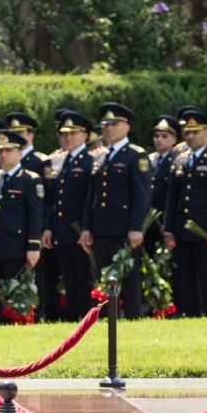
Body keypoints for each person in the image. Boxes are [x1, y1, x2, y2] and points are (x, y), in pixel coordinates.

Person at [81, 102, 152, 318]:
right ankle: (108, 318)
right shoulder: (101, 156)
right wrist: (86, 227)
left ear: (126, 126)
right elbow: (92, 196)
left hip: (124, 228)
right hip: (102, 227)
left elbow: (142, 196)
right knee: (105, 276)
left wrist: (136, 227)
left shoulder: (135, 155)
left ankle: (132, 317)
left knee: (128, 279)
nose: (108, 128)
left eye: (114, 124)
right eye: (105, 124)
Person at [162, 107, 207, 318]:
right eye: (187, 132)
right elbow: (172, 199)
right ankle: (187, 312)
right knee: (184, 276)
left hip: (206, 231)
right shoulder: (179, 159)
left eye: (196, 132)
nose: (191, 136)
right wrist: (168, 229)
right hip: (183, 230)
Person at [0, 129, 45, 319]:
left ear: (19, 152)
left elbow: (36, 216)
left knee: (18, 299)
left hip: (18, 248)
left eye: (8, 150)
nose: (3, 155)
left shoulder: (30, 180)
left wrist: (33, 246)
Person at [43, 109, 97, 320]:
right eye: (64, 133)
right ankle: (72, 317)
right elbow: (52, 198)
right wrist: (48, 226)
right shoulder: (59, 161)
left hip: (78, 230)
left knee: (84, 278)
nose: (67, 137)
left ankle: (84, 318)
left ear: (85, 135)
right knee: (68, 277)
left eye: (72, 133)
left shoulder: (90, 161)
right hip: (61, 230)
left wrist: (86, 227)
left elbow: (89, 200)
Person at [145, 112, 180, 243]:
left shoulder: (177, 160)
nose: (159, 139)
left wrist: (169, 222)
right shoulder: (149, 159)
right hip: (149, 220)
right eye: (156, 136)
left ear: (174, 139)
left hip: (167, 219)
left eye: (164, 136)